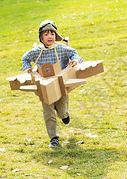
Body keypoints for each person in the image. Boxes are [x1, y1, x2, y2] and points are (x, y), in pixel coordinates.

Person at [21, 20, 83, 148]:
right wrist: (28, 67)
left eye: (52, 34)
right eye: (46, 34)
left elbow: (73, 52)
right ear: (41, 37)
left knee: (62, 106)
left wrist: (75, 60)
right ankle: (53, 138)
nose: (50, 37)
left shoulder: (61, 48)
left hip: (60, 83)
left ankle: (64, 114)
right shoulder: (37, 51)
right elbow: (25, 58)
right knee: (48, 111)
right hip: (45, 85)